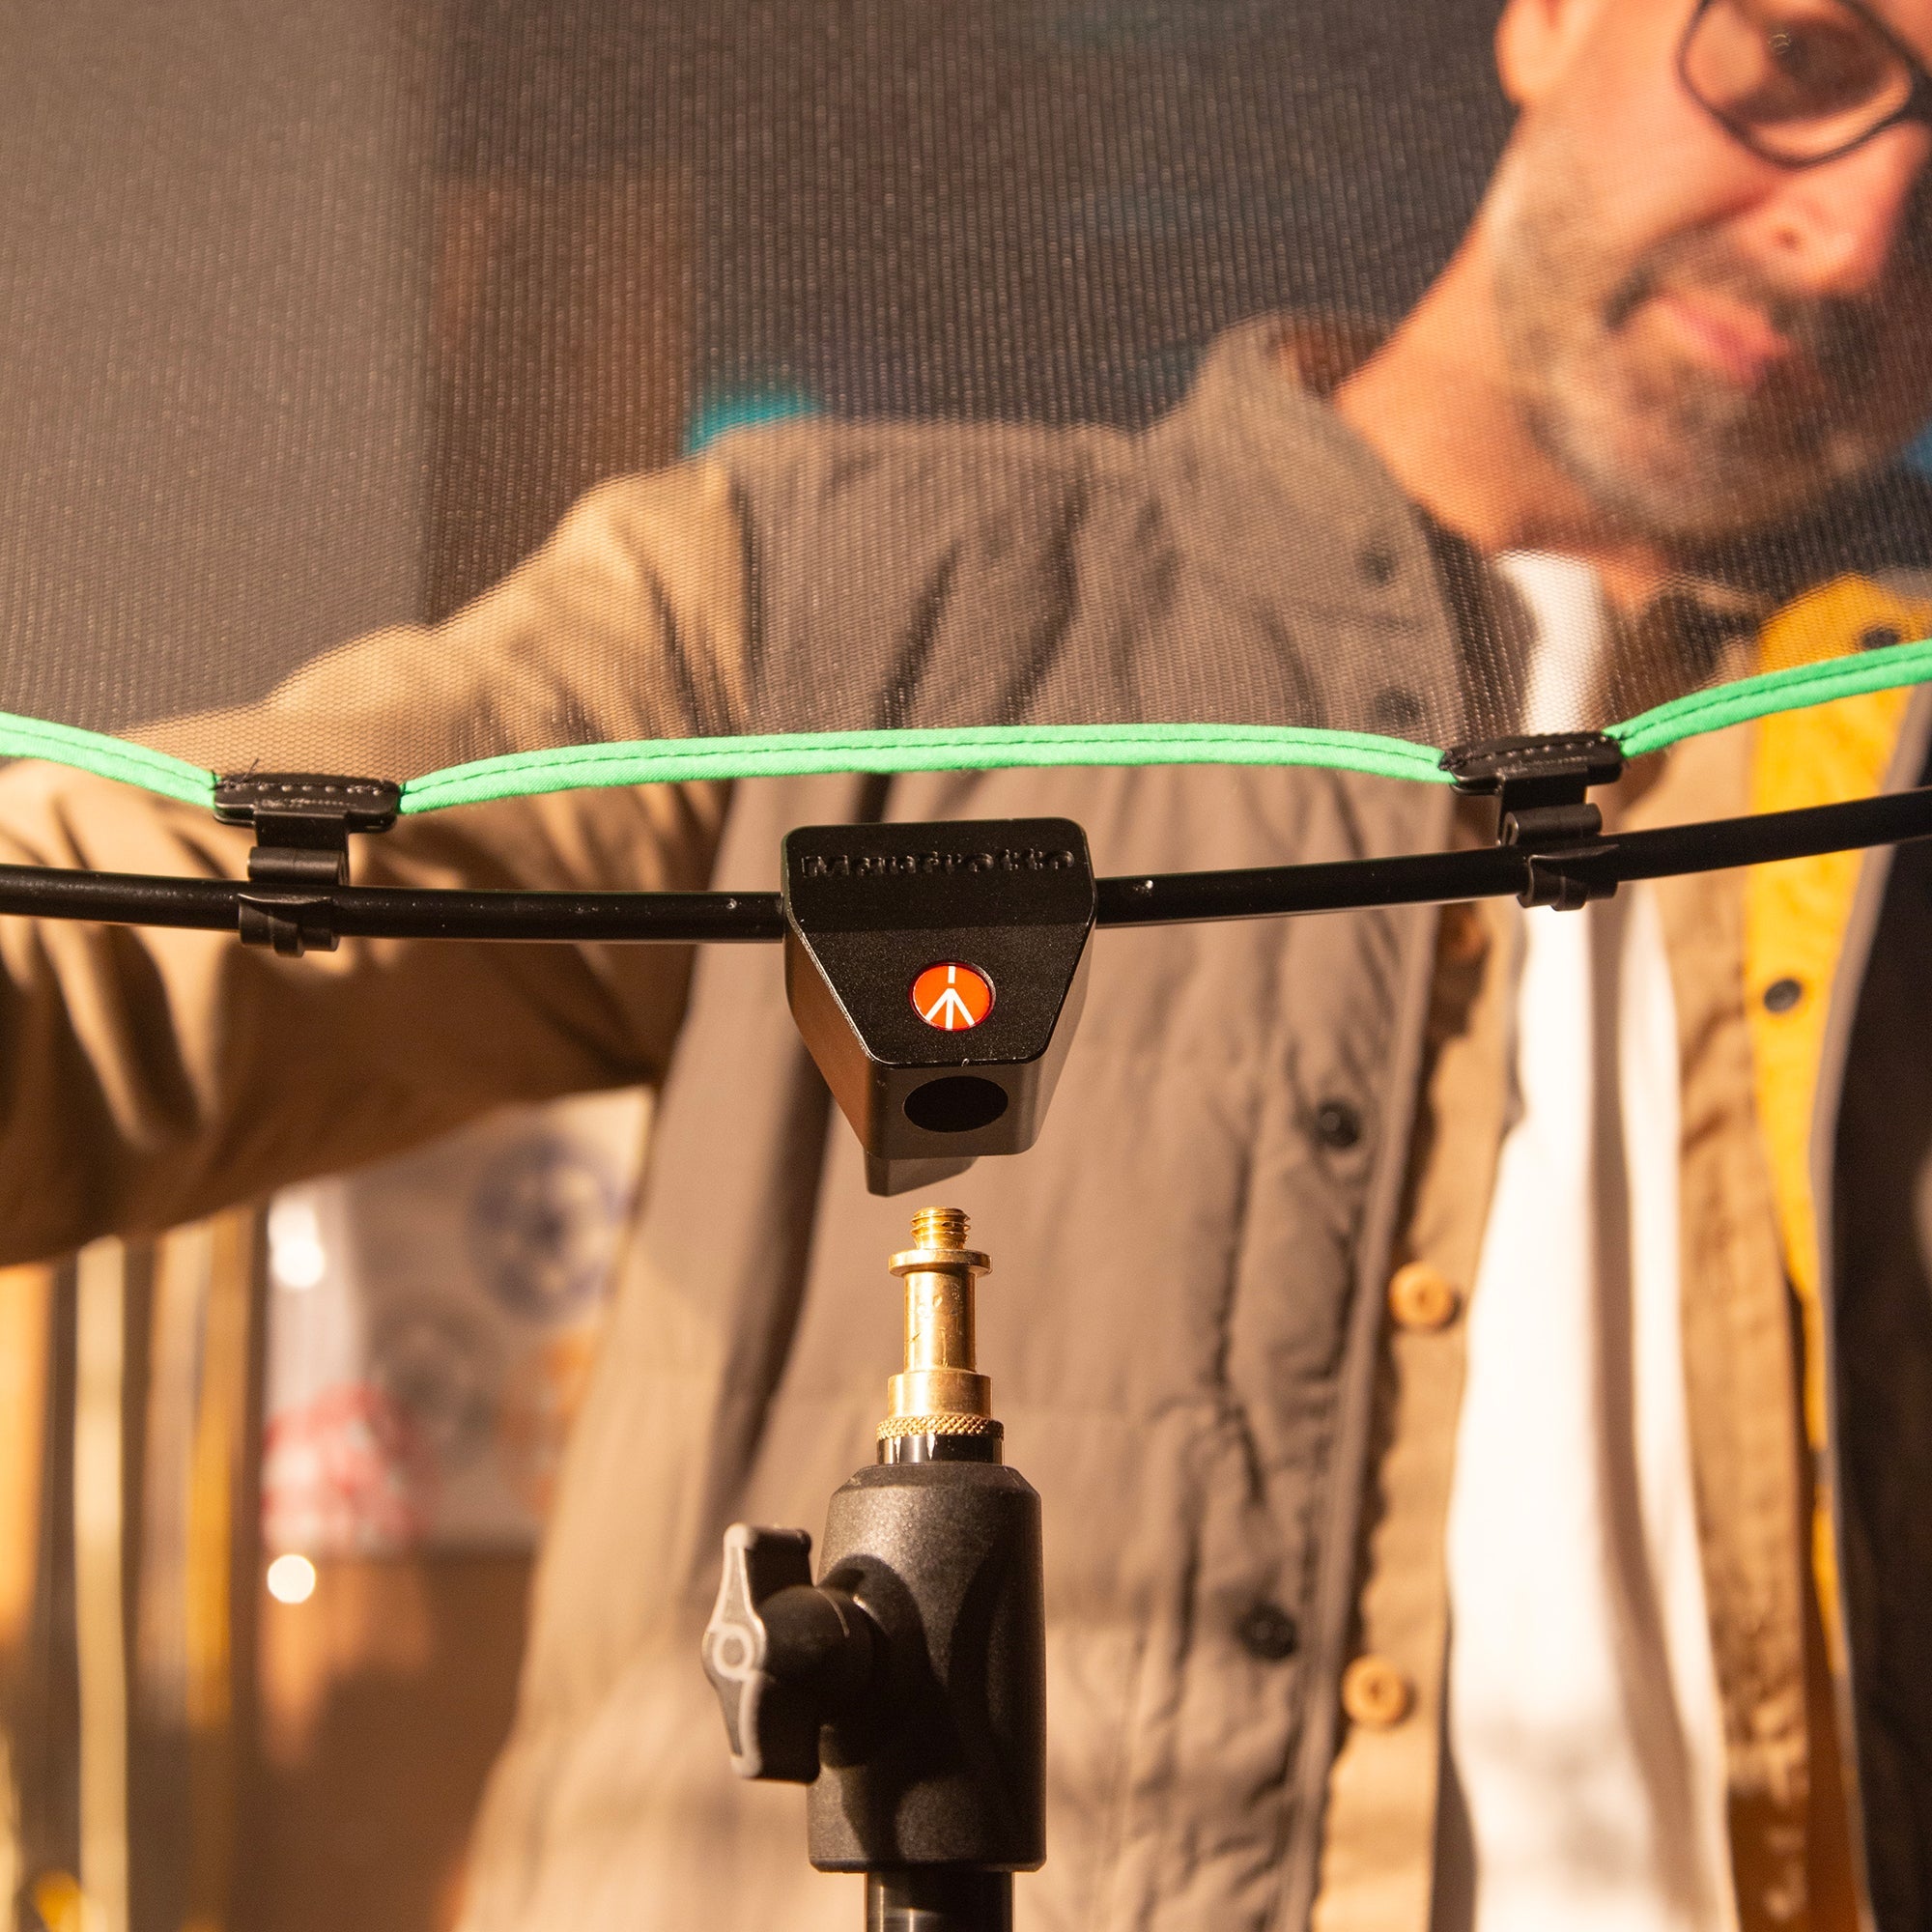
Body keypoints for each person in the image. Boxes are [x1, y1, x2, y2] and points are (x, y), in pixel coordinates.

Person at [6, 0, 1932, 1927]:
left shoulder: (1893, 749)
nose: (1852, 232)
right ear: (1555, 18)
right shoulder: (835, 596)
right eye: (1800, 58)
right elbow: (124, 960)